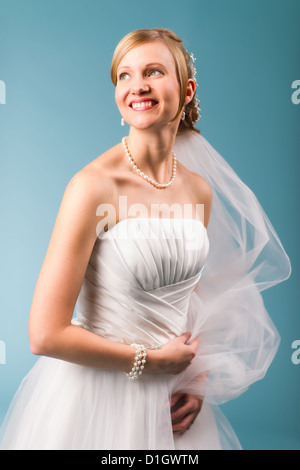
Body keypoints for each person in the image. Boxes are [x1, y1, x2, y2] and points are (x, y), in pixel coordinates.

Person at [0, 28, 291, 450]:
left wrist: (198, 377)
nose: (138, 85)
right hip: (97, 396)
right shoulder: (93, 186)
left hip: (174, 398)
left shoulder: (197, 189)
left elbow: (191, 297)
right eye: (125, 75)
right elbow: (45, 333)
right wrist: (152, 363)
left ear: (187, 90)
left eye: (154, 72)